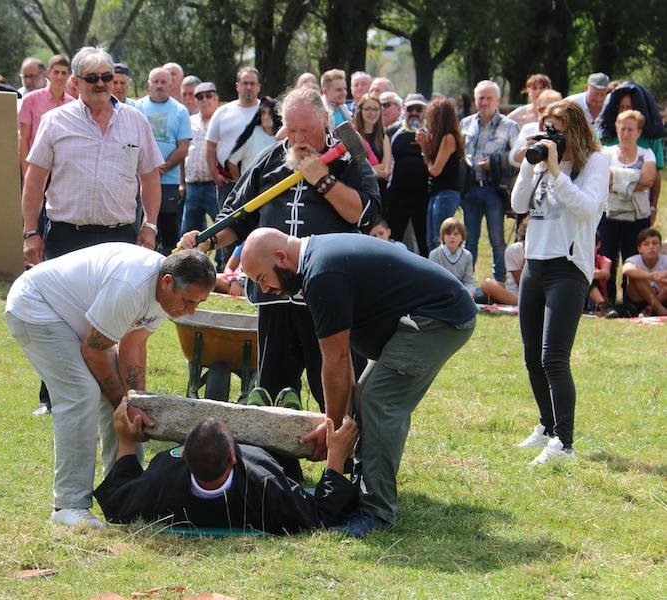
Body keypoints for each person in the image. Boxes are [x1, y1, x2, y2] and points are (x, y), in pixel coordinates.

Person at [238, 228, 477, 536]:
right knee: (366, 395)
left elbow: (335, 361)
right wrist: (339, 424)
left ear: (281, 258)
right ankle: (361, 492)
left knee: (378, 400)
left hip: (440, 318)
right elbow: (344, 360)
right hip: (424, 315)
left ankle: (376, 511)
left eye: (261, 278)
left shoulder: (321, 273)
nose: (266, 288)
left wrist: (333, 429)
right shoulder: (317, 262)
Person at [179, 86, 380, 412]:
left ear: (326, 120)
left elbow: (366, 215)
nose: (298, 139)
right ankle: (277, 462)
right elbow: (237, 217)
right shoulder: (270, 160)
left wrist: (324, 181)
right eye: (292, 129)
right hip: (273, 294)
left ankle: (348, 455)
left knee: (336, 388)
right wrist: (208, 239)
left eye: (307, 130)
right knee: (273, 391)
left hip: (327, 293)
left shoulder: (347, 160)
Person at [4, 245, 215, 527]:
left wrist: (136, 402)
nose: (190, 311)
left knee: (125, 403)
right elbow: (93, 350)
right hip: (35, 306)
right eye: (188, 301)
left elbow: (134, 344)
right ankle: (68, 506)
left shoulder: (167, 292)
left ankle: (126, 489)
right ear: (167, 283)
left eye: (197, 303)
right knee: (81, 394)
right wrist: (122, 403)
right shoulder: (132, 286)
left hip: (75, 320)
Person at [21, 47, 163, 416]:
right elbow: (34, 180)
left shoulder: (135, 121)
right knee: (62, 318)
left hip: (120, 235)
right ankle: (51, 398)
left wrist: (149, 225)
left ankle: (110, 393)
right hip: (68, 233)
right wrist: (29, 232)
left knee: (115, 318)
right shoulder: (55, 121)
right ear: (75, 82)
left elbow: (149, 176)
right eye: (93, 78)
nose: (102, 85)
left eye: (107, 77)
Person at [511, 99, 608, 465]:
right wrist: (529, 164)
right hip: (535, 262)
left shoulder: (595, 162)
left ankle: (564, 444)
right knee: (532, 356)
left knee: (554, 357)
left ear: (576, 130)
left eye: (559, 129)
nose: (552, 136)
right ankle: (547, 426)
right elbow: (519, 202)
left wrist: (555, 171)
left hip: (568, 266)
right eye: (547, 128)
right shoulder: (540, 162)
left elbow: (587, 207)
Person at [94, 401, 360, 533]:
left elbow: (117, 501)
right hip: (271, 459)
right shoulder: (265, 485)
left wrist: (126, 441)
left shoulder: (160, 483)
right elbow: (323, 514)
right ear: (233, 457)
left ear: (184, 456)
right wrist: (335, 455)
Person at [460, 80, 519, 283]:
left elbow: (517, 159)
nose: (484, 102)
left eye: (488, 98)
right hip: (470, 189)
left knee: (497, 239)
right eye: (481, 98)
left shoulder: (510, 125)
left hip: (495, 190)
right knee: (470, 240)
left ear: (497, 100)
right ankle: (467, 282)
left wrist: (494, 163)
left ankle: (499, 282)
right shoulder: (465, 123)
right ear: (475, 99)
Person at [599, 109, 657, 303]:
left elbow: (648, 179)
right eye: (622, 129)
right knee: (607, 257)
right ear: (616, 128)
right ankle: (606, 301)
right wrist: (634, 178)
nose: (626, 133)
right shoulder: (606, 153)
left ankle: (631, 302)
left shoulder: (646, 154)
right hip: (609, 216)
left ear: (639, 132)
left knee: (632, 258)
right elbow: (602, 180)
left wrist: (616, 179)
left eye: (630, 130)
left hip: (637, 217)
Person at [137, 67, 192, 254]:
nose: (159, 86)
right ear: (148, 84)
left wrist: (162, 167)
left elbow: (183, 147)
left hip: (168, 181)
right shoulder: (136, 109)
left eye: (163, 82)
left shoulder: (180, 111)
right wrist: (147, 170)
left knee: (168, 231)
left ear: (170, 85)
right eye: (156, 82)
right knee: (139, 227)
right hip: (139, 180)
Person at [599, 81, 664, 229]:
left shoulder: (651, 139)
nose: (624, 111)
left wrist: (653, 207)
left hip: (638, 210)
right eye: (621, 107)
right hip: (609, 210)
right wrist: (636, 177)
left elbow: (653, 178)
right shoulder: (605, 136)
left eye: (628, 107)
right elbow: (601, 176)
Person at [205, 67, 261, 203]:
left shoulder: (267, 110)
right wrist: (215, 174)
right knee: (228, 223)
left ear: (259, 87)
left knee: (261, 223)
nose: (248, 87)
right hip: (228, 182)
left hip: (262, 180)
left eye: (252, 83)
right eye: (244, 83)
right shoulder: (222, 112)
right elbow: (210, 146)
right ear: (237, 86)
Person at [385, 93, 430, 256]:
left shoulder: (431, 132)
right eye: (411, 109)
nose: (415, 113)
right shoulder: (393, 131)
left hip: (424, 195)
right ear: (404, 110)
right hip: (398, 194)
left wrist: (425, 144)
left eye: (419, 109)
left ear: (424, 111)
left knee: (424, 239)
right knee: (394, 238)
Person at [417, 97, 464, 249]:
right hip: (436, 192)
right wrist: (425, 146)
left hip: (446, 193)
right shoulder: (439, 138)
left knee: (439, 240)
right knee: (431, 240)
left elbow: (434, 170)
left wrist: (424, 148)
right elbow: (431, 167)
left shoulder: (448, 138)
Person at [18, 55, 75, 177]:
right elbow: (23, 139)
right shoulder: (30, 100)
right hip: (35, 167)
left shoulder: (73, 104)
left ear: (69, 75)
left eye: (64, 73)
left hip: (61, 170)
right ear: (48, 73)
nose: (60, 77)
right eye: (56, 72)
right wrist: (25, 172)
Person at [181, 82, 219, 235]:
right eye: (199, 96)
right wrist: (181, 182)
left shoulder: (222, 119)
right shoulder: (189, 121)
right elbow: (183, 153)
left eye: (208, 95)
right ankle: (187, 260)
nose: (204, 99)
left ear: (216, 98)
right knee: (187, 232)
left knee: (222, 229)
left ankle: (223, 260)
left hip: (214, 185)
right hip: (192, 186)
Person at [226, 97, 280, 181]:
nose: (266, 117)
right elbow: (232, 162)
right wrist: (239, 186)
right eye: (263, 112)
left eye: (270, 113)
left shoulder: (283, 137)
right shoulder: (250, 134)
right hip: (251, 190)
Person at [479, 216, 527, 306]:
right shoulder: (513, 250)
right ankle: (522, 304)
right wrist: (526, 257)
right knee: (487, 284)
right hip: (515, 294)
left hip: (542, 292)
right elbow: (521, 283)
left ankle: (525, 305)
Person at [509, 90, 563, 167]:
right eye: (543, 109)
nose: (547, 113)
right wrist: (528, 149)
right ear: (537, 110)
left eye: (553, 110)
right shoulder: (529, 128)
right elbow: (512, 159)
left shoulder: (566, 133)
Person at [621, 228, 667, 316]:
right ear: (639, 249)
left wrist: (664, 274)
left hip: (661, 298)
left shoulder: (665, 259)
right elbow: (626, 270)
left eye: (655, 243)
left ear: (660, 247)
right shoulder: (634, 259)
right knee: (637, 277)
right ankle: (661, 311)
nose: (651, 247)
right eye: (646, 244)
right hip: (638, 299)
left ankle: (650, 308)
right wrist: (651, 276)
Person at [428, 217, 474, 295]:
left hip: (461, 294)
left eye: (456, 234)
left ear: (462, 237)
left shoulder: (467, 255)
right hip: (441, 293)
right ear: (442, 236)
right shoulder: (435, 254)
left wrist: (468, 293)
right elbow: (433, 280)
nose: (452, 237)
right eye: (448, 234)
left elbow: (468, 281)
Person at [352, 95, 391, 181]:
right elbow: (354, 170)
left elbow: (386, 170)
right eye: (368, 109)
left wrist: (365, 171)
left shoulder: (384, 136)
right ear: (360, 110)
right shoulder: (353, 136)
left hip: (380, 189)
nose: (372, 113)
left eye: (376, 109)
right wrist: (378, 169)